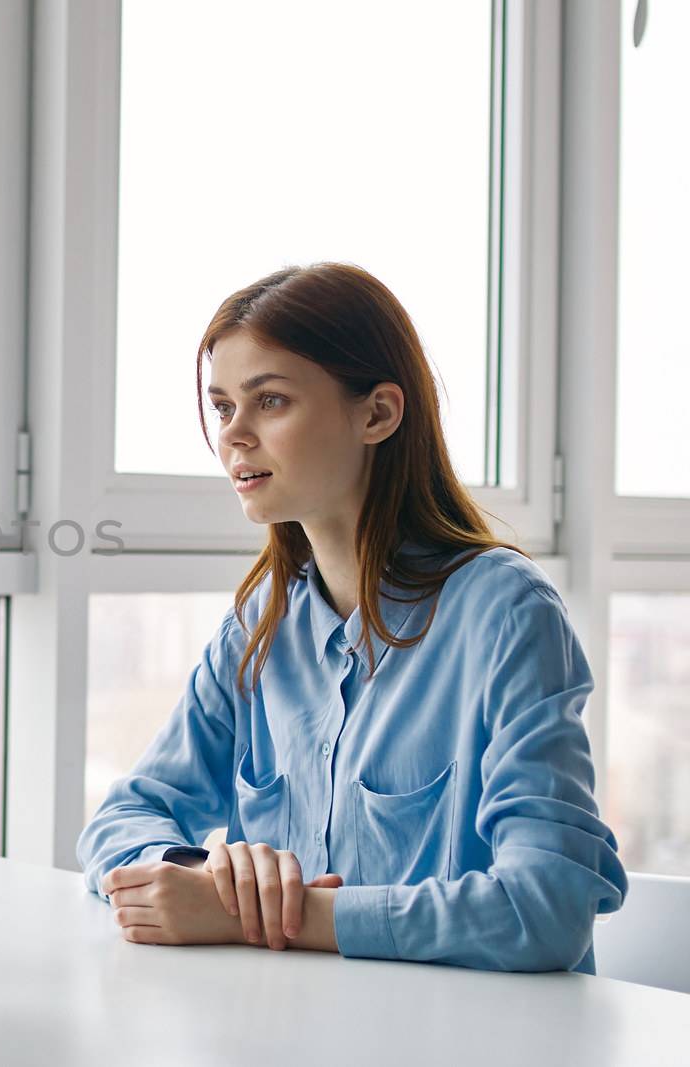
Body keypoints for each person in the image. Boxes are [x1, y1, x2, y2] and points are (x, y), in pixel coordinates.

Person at [78, 263, 625, 971]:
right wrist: (209, 877)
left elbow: (545, 908)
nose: (233, 436)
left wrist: (281, 914)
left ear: (378, 413)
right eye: (221, 408)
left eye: (269, 400)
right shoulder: (259, 628)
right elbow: (120, 823)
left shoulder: (507, 614)